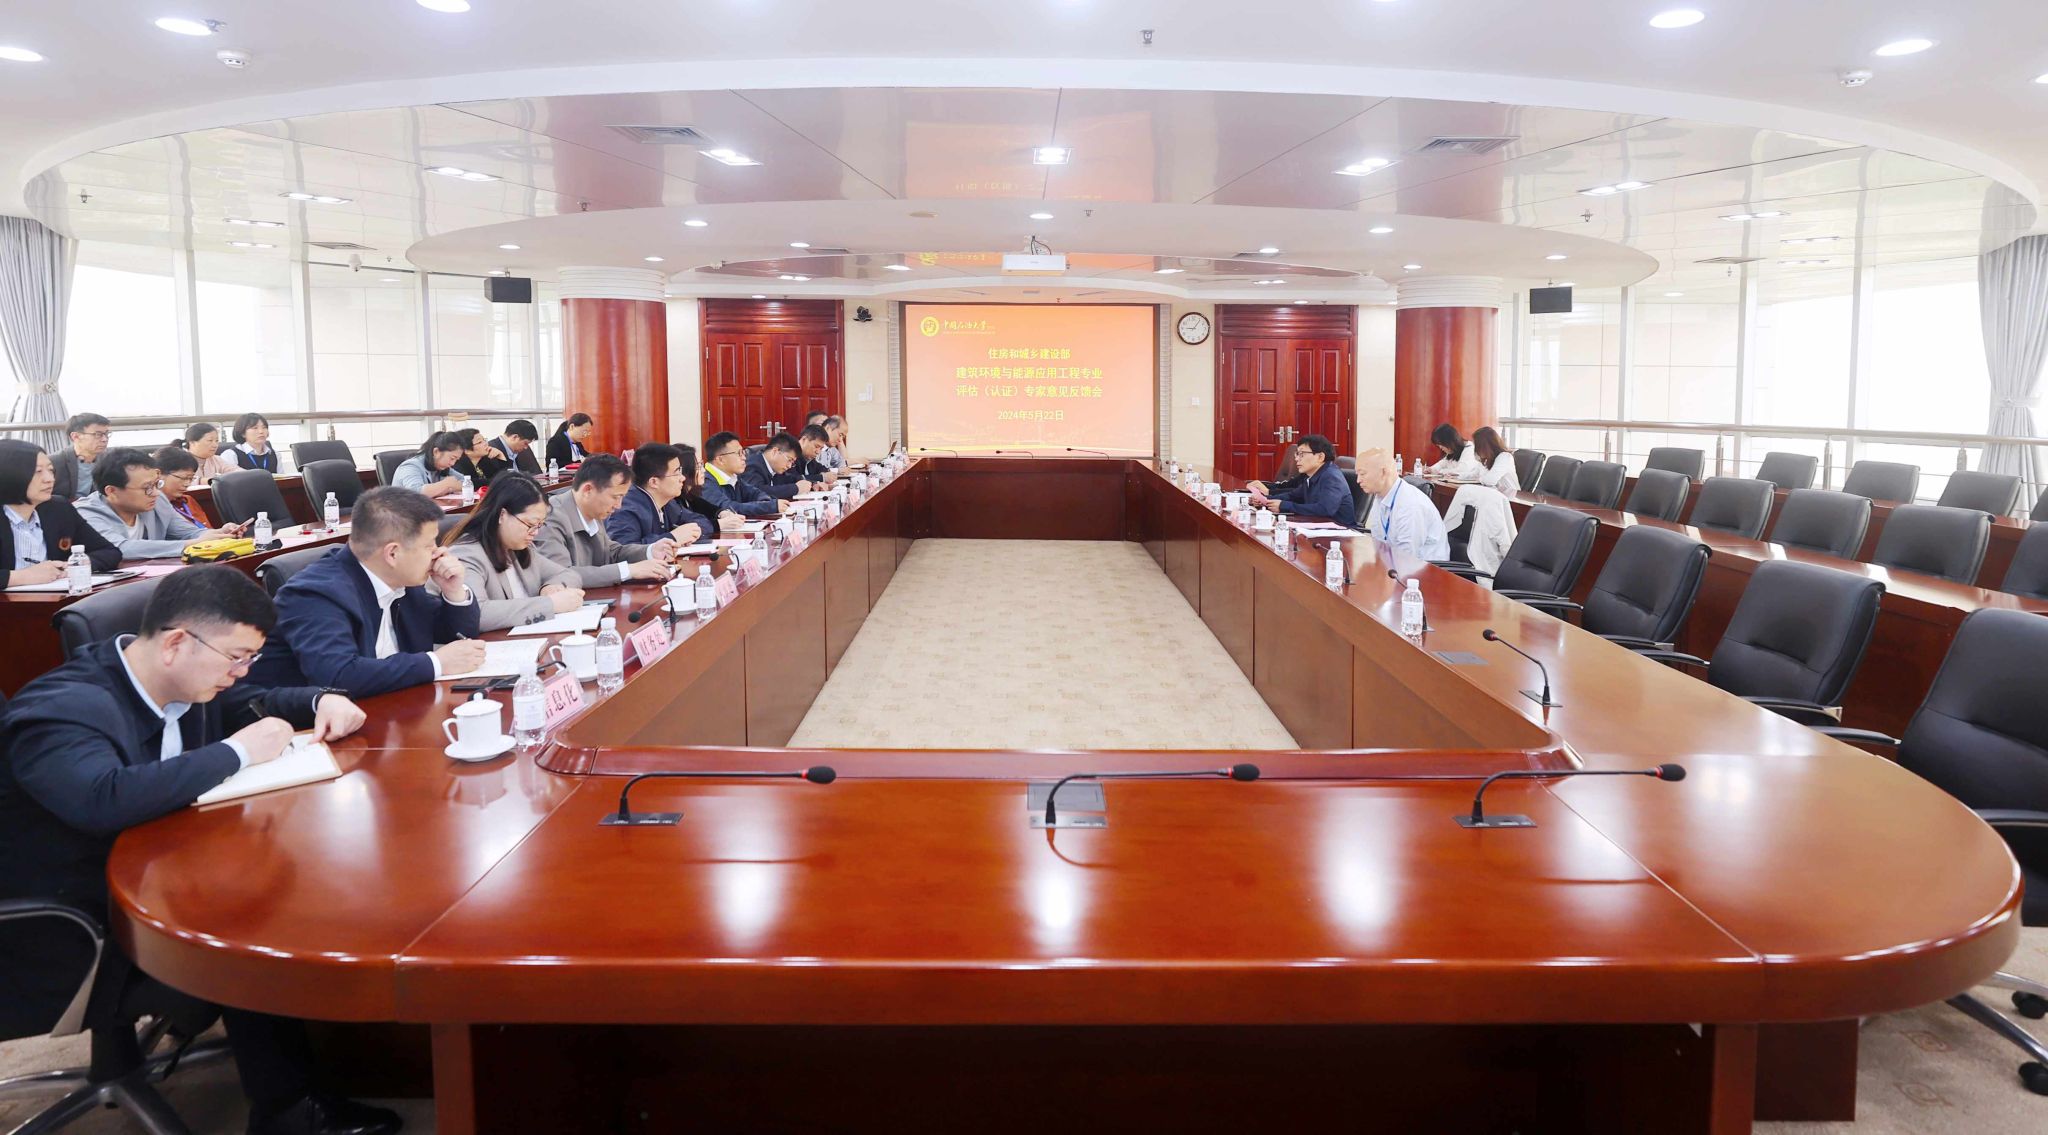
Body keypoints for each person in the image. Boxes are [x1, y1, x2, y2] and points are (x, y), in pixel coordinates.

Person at [0, 566, 396, 1135]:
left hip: (145, 879)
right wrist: (237, 753)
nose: (241, 673)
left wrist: (319, 698)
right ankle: (287, 1113)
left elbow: (254, 702)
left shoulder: (184, 683)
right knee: (255, 923)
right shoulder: (62, 709)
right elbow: (100, 799)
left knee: (298, 872)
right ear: (176, 643)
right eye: (236, 658)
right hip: (64, 929)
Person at [247, 487, 485, 699]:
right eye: (429, 545)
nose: (438, 553)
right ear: (392, 554)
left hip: (389, 706)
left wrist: (453, 590)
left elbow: (456, 634)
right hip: (304, 728)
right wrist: (435, 663)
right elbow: (338, 676)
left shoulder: (401, 581)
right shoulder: (315, 594)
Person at [446, 472, 586, 632]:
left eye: (540, 525)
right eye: (530, 525)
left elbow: (568, 574)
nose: (535, 533)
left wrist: (550, 587)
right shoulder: (466, 554)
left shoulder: (519, 548)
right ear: (502, 515)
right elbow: (476, 614)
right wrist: (550, 604)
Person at [533, 453, 679, 588]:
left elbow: (611, 553)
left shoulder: (593, 510)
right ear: (588, 490)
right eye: (616, 497)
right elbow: (561, 574)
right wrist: (628, 571)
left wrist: (650, 551)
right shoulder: (550, 517)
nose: (619, 505)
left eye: (622, 497)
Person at [77, 447, 242, 560]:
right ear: (112, 491)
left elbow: (189, 533)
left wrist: (218, 534)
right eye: (147, 488)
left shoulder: (158, 500)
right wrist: (191, 544)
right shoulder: (85, 513)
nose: (156, 492)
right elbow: (119, 548)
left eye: (156, 484)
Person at [0, 438, 120, 585]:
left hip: (56, 596)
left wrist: (72, 566)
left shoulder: (58, 508)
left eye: (51, 470)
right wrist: (19, 577)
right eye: (38, 471)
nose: (49, 479)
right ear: (8, 474)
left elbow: (109, 552)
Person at [606, 443, 711, 547]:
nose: (682, 478)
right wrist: (673, 537)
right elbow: (624, 549)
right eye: (677, 473)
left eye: (681, 471)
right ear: (654, 482)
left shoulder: (667, 503)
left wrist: (692, 532)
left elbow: (701, 521)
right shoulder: (627, 508)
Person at [1360, 449, 1451, 561]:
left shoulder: (1410, 504)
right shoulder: (1380, 496)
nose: (1358, 480)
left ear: (1383, 472)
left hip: (1426, 567)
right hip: (1396, 561)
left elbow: (1407, 556)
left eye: (1362, 474)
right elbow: (1379, 540)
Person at [1253, 434, 1352, 521]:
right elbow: (1292, 496)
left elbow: (1325, 509)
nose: (1296, 459)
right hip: (1318, 526)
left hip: (1340, 531)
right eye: (1297, 454)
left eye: (1301, 454)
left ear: (1320, 457)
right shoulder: (1312, 475)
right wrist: (1264, 500)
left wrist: (1284, 506)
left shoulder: (1331, 477)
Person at [698, 431, 789, 518]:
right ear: (720, 460)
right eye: (739, 453)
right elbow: (729, 508)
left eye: (743, 452)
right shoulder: (705, 482)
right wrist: (769, 506)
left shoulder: (733, 477)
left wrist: (766, 502)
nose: (744, 458)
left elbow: (755, 493)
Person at [49, 411, 110, 501]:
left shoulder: (109, 461)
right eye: (98, 435)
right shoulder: (54, 462)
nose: (104, 439)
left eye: (106, 434)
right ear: (75, 436)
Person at [742, 432, 814, 499]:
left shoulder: (774, 468)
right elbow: (757, 492)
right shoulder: (752, 466)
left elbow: (789, 479)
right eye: (789, 460)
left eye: (792, 463)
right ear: (775, 452)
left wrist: (812, 484)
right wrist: (795, 488)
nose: (789, 466)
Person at [392, 431, 465, 497]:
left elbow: (465, 482)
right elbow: (416, 492)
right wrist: (446, 484)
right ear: (436, 452)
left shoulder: (442, 467)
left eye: (456, 460)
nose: (453, 463)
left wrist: (448, 488)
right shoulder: (410, 466)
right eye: (452, 458)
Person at [152, 445, 211, 527]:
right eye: (183, 478)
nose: (187, 484)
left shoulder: (188, 500)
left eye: (191, 478)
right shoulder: (150, 506)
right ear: (159, 474)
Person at [180, 421, 238, 485]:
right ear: (192, 443)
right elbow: (181, 480)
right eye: (210, 440)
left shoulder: (216, 459)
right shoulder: (180, 460)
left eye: (216, 441)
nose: (215, 445)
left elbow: (236, 472)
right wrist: (208, 481)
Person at [1470, 426, 1520, 494]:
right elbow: (1474, 474)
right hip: (1494, 493)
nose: (1475, 450)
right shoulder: (1487, 459)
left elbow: (1490, 481)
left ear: (1485, 446)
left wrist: (1479, 478)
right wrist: (1456, 476)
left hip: (1509, 497)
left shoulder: (1505, 457)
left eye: (1476, 446)